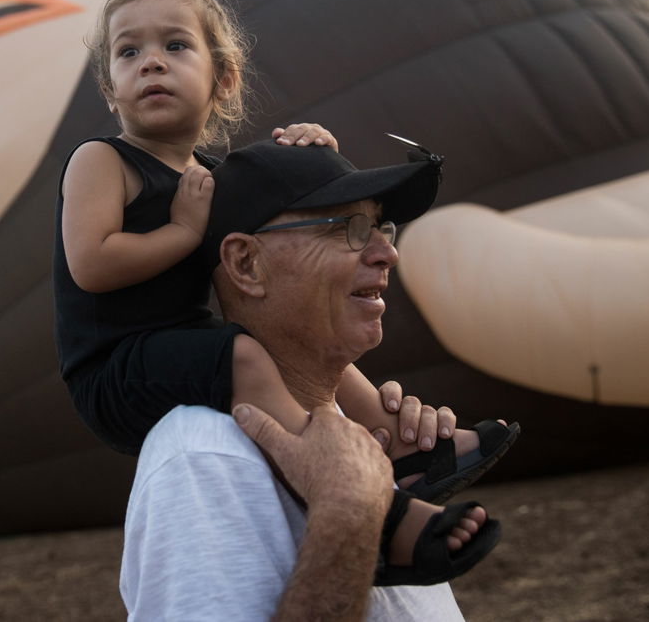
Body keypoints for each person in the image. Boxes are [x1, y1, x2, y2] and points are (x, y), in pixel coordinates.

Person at [55, 0, 512, 498]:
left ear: (222, 79)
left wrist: (312, 148)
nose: (151, 61)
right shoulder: (102, 161)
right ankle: (335, 481)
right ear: (111, 92)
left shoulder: (207, 176)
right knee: (248, 354)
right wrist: (183, 230)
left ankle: (398, 442)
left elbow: (277, 233)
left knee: (287, 338)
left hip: (186, 349)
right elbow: (90, 265)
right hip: (114, 372)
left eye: (176, 46)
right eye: (128, 52)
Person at [121, 139, 509, 619]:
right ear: (246, 264)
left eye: (383, 227)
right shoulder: (204, 456)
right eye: (348, 227)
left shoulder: (354, 433)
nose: (388, 253)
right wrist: (349, 510)